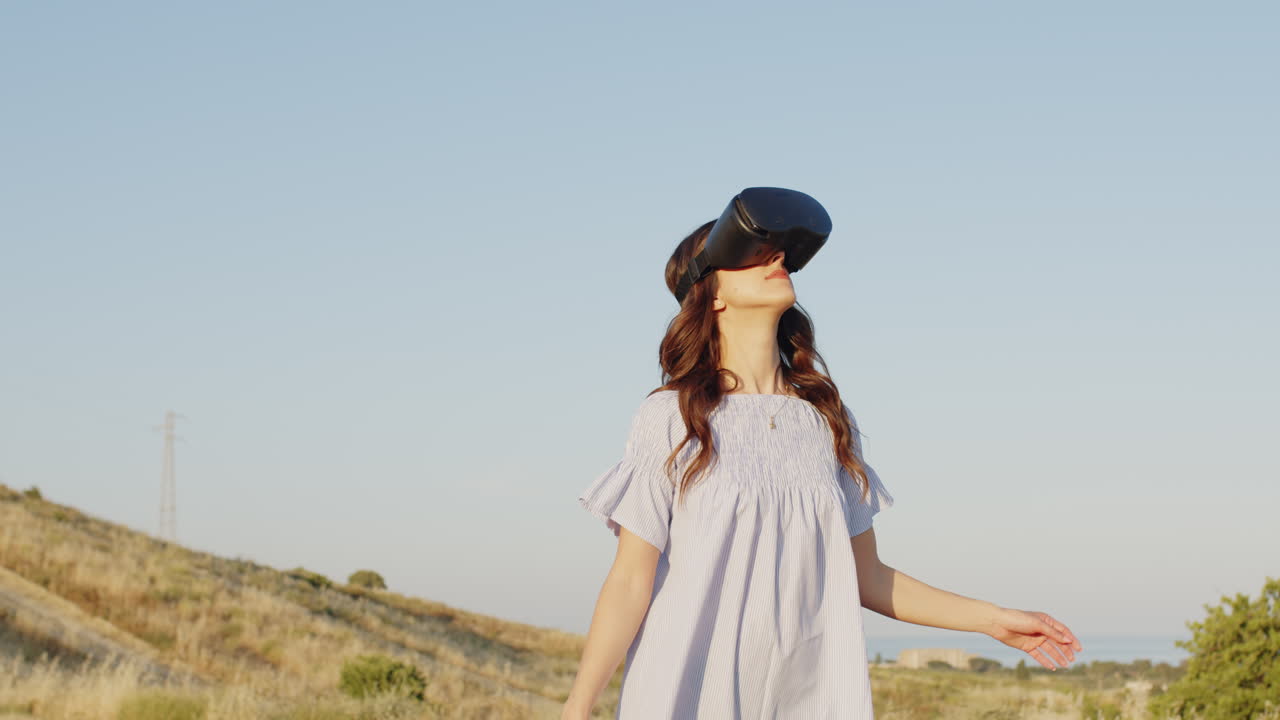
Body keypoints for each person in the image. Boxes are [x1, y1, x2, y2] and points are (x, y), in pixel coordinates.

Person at [563, 219, 1083, 719]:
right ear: (711, 293)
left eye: (777, 251)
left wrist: (993, 622)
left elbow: (869, 577)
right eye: (748, 252)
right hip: (690, 695)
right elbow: (632, 580)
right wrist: (578, 706)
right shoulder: (672, 417)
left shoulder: (827, 422)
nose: (776, 258)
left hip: (809, 697)